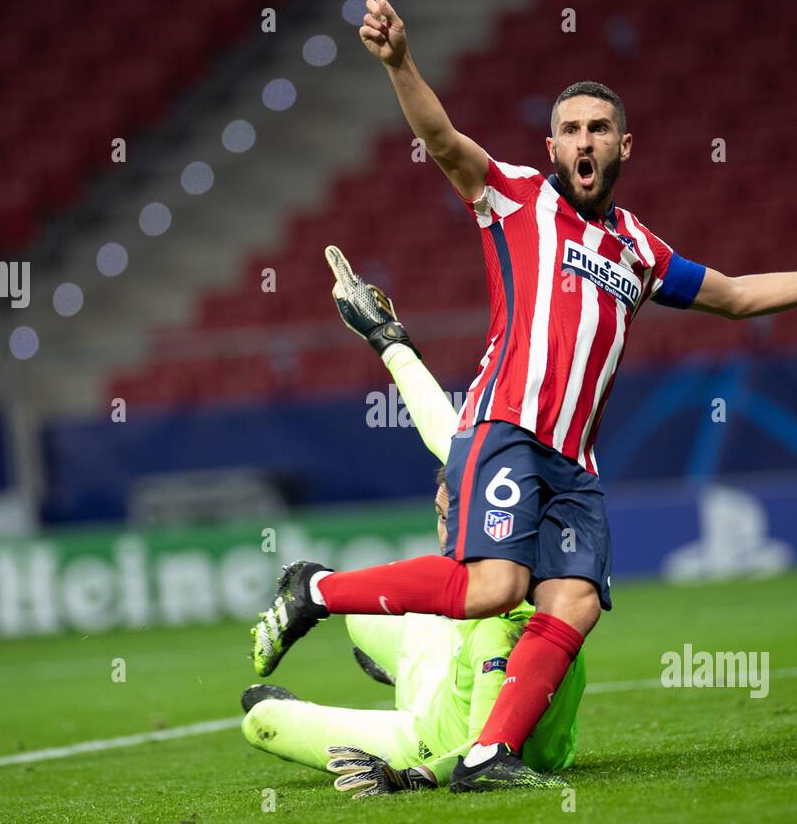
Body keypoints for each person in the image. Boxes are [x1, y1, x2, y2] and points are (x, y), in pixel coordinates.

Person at [253, 0, 797, 791]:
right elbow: (442, 140)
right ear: (553, 145)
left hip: (575, 462)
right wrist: (401, 63)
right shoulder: (517, 199)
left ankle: (485, 757)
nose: (584, 141)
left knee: (573, 601)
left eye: (598, 128)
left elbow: (739, 296)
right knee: (495, 586)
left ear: (624, 146)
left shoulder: (640, 248)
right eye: (570, 129)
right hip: (504, 426)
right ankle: (315, 593)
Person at [240, 247, 584, 796]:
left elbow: (483, 752)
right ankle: (399, 662)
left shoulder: (504, 609)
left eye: (458, 514)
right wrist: (388, 338)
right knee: (364, 620)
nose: (450, 527)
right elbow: (443, 429)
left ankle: (345, 631)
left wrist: (415, 775)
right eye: (446, 513)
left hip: (433, 738)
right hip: (450, 664)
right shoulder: (518, 536)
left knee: (260, 719)